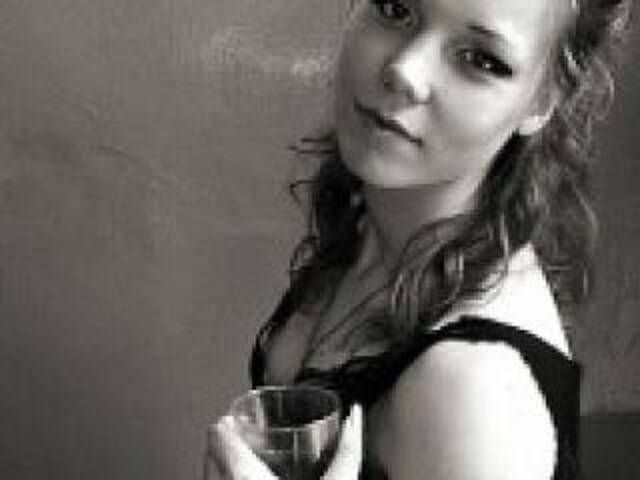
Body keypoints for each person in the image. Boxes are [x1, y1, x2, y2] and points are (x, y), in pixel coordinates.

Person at [207, 0, 632, 478]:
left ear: (542, 101)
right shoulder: (377, 227)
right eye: (395, 9)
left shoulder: (475, 393)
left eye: (481, 59)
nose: (404, 70)